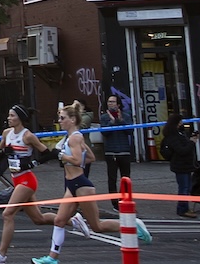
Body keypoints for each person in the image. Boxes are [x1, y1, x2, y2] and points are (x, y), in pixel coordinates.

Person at [39, 101, 151, 264]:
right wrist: (68, 156)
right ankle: (52, 258)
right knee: (59, 220)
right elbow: (90, 157)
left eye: (62, 118)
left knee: (97, 226)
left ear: (72, 119)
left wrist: (62, 156)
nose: (60, 121)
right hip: (72, 185)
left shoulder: (74, 138)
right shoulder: (73, 137)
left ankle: (133, 224)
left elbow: (78, 160)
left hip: (81, 185)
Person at [0, 105, 57, 264]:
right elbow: (0, 151)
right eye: (8, 115)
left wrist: (30, 164)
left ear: (20, 118)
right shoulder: (6, 133)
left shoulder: (28, 136)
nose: (8, 118)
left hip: (27, 180)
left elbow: (47, 154)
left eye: (12, 116)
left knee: (7, 214)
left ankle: (1, 255)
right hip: (16, 179)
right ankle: (72, 220)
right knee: (39, 219)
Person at [159, 112, 199, 218]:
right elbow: (182, 150)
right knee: (184, 188)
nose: (182, 123)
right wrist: (192, 142)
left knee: (186, 187)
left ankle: (184, 207)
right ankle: (182, 209)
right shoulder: (173, 137)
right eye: (180, 121)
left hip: (185, 165)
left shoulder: (179, 134)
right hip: (180, 166)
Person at [99, 94, 133, 208]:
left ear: (118, 104)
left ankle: (125, 200)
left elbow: (130, 131)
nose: (111, 104)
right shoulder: (104, 117)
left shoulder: (126, 115)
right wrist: (112, 122)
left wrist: (120, 120)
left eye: (113, 102)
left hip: (124, 151)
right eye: (109, 102)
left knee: (126, 177)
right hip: (111, 151)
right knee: (112, 178)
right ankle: (114, 203)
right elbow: (104, 133)